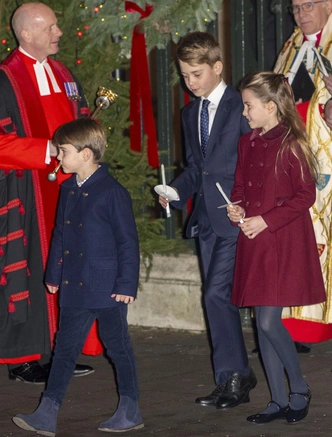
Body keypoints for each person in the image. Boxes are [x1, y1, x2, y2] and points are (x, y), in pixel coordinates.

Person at [12, 118, 143, 435]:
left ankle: (130, 408)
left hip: (108, 288)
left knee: (118, 347)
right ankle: (47, 412)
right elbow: (60, 235)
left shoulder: (113, 193)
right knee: (64, 350)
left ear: (86, 154)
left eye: (64, 152)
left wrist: (126, 284)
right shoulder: (68, 189)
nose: (58, 158)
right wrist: (54, 272)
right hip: (74, 286)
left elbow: (128, 241)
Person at [158, 31, 256, 409]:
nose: (190, 82)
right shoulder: (189, 112)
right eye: (184, 75)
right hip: (207, 221)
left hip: (237, 217)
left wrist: (249, 206)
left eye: (197, 74)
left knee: (215, 294)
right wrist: (176, 190)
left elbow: (257, 162)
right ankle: (235, 375)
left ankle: (235, 376)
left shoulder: (241, 106)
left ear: (217, 67)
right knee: (219, 297)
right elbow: (196, 168)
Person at [0, 2, 97, 383]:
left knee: (67, 266)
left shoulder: (63, 72)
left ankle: (61, 349)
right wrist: (49, 151)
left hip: (69, 189)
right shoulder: (5, 79)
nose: (59, 32)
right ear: (27, 34)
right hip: (27, 192)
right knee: (34, 268)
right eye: (52, 27)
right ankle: (25, 358)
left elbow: (82, 115)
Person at [227, 71, 326, 424]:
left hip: (281, 240)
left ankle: (299, 387)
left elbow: (306, 195)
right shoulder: (246, 142)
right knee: (261, 322)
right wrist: (236, 206)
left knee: (269, 321)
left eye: (248, 106)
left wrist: (266, 219)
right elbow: (239, 186)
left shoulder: (291, 143)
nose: (244, 113)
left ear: (271, 107)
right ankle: (277, 399)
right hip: (254, 240)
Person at [274, 0, 332, 349]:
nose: (301, 13)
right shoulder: (292, 44)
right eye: (295, 7)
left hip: (326, 160)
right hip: (291, 157)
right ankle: (290, 325)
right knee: (292, 234)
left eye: (309, 4)